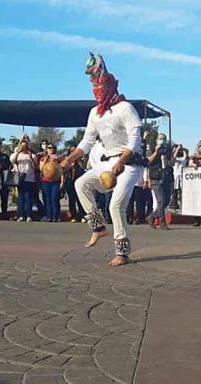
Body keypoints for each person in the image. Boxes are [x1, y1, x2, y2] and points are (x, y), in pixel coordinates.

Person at [61, 52, 147, 266]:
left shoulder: (125, 108)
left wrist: (121, 162)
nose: (98, 94)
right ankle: (98, 228)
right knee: (81, 184)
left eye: (101, 89)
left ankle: (122, 251)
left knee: (115, 205)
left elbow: (135, 139)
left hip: (130, 164)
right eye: (95, 90)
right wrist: (68, 160)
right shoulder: (94, 114)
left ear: (111, 88)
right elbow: (86, 142)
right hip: (108, 161)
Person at [10, 136, 38, 222]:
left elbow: (35, 167)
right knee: (20, 197)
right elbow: (13, 162)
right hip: (19, 177)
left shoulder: (33, 155)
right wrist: (18, 153)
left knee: (28, 197)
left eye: (25, 146)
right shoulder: (15, 154)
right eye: (22, 146)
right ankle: (21, 215)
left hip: (29, 178)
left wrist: (31, 158)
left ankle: (29, 215)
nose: (24, 147)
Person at [146, 133, 171, 230]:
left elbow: (171, 162)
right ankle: (162, 222)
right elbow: (148, 161)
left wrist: (167, 160)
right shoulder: (152, 148)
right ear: (156, 139)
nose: (162, 141)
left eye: (164, 139)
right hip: (155, 178)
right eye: (160, 139)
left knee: (166, 201)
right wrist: (156, 152)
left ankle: (151, 217)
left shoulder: (167, 150)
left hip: (165, 177)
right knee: (161, 200)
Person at [39, 143, 64, 222]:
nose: (51, 149)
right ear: (46, 149)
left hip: (55, 181)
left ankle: (56, 216)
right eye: (49, 148)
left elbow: (61, 170)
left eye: (52, 148)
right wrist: (46, 159)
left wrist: (62, 181)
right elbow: (41, 168)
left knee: (55, 198)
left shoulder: (58, 158)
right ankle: (49, 216)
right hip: (46, 181)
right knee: (48, 199)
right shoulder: (43, 159)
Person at [64, 146, 87, 223]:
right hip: (69, 180)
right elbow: (63, 170)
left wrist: (78, 160)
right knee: (71, 199)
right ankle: (73, 216)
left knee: (79, 198)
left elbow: (83, 167)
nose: (73, 152)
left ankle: (82, 215)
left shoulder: (80, 159)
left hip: (78, 179)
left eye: (75, 151)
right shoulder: (67, 159)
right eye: (71, 151)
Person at [0, 141, 12, 219]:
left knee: (4, 198)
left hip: (4, 178)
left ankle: (4, 213)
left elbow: (8, 166)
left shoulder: (5, 156)